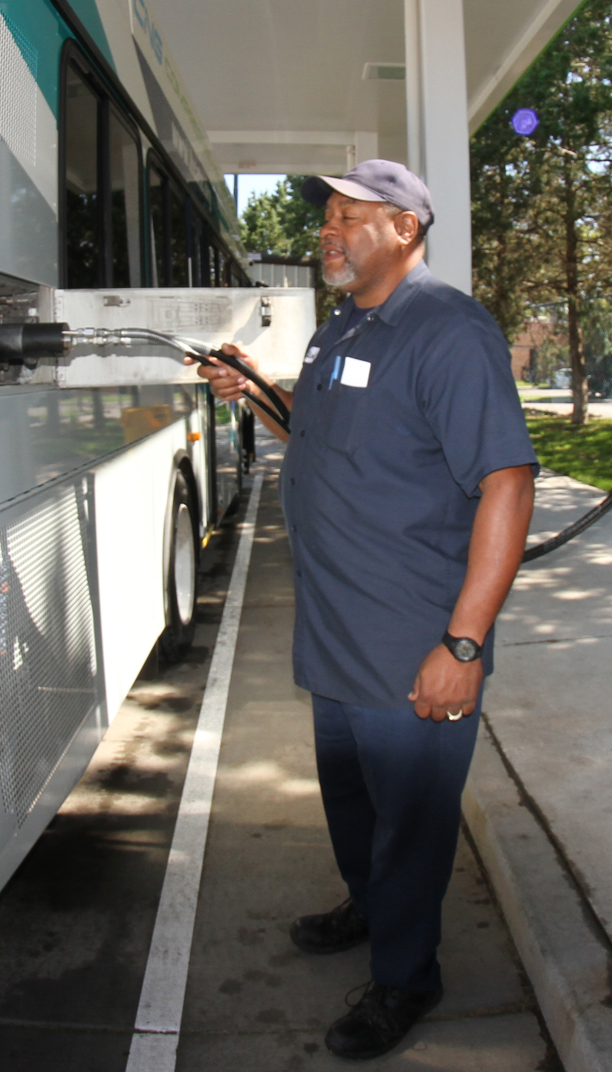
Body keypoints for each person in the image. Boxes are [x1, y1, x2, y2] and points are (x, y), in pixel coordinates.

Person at [193, 159, 535, 1060]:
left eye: (351, 216)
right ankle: (372, 905)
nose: (329, 230)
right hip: (334, 631)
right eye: (329, 217)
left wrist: (463, 644)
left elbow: (507, 484)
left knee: (412, 826)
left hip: (410, 639)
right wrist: (254, 387)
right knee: (351, 801)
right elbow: (317, 431)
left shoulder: (449, 331)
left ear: (406, 229)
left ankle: (407, 978)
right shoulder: (343, 327)